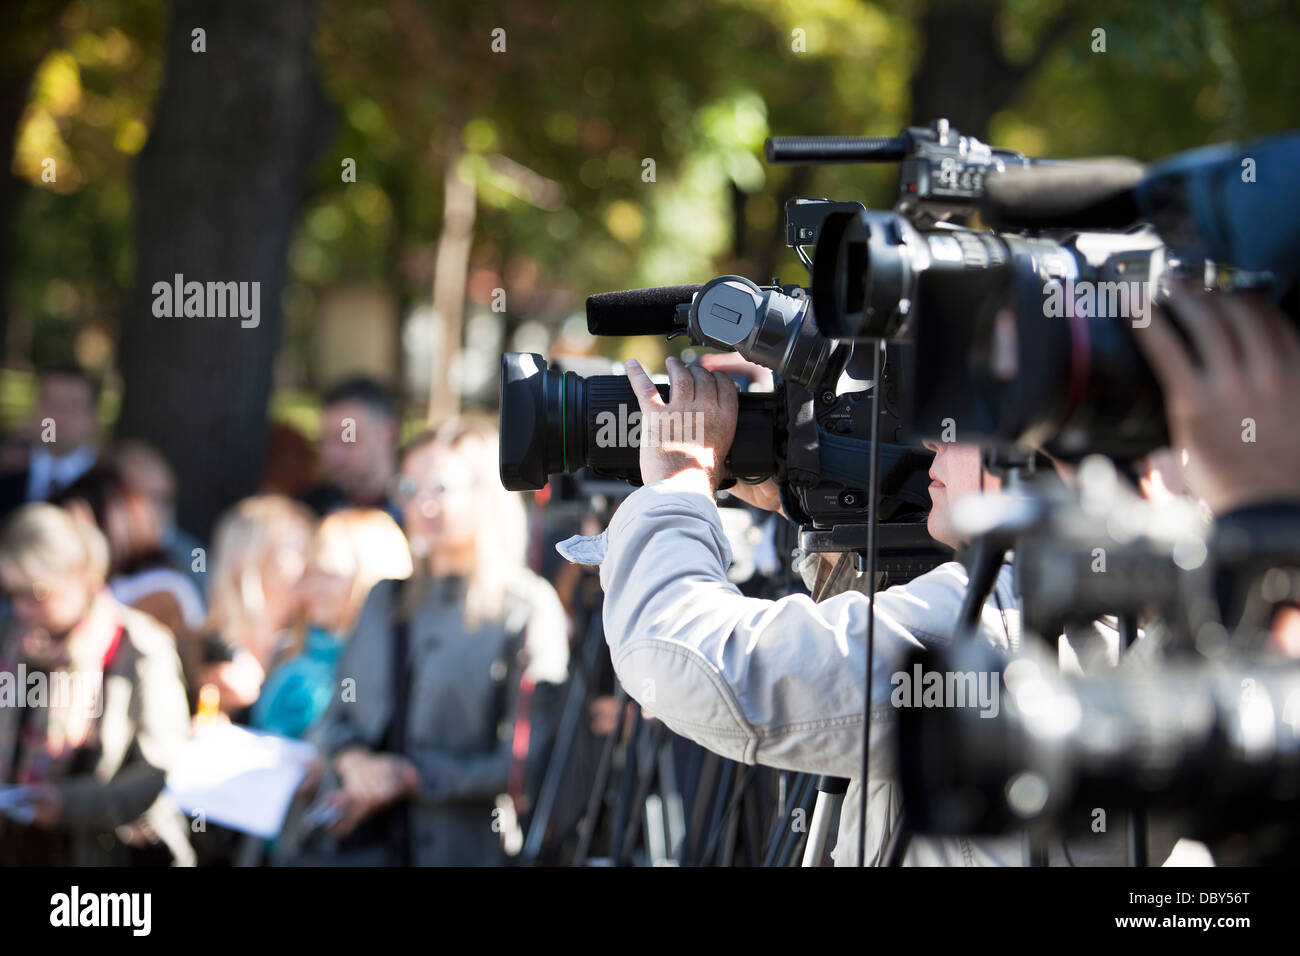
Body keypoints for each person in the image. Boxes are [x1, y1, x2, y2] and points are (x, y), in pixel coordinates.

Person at [574, 283, 1300, 866]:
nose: (928, 443)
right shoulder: (1121, 599)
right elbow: (858, 669)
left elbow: (700, 665)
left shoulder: (1003, 617)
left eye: (962, 425)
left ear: (1041, 454)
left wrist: (676, 486)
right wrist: (800, 503)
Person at [307, 417, 569, 866]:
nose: (421, 504)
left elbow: (530, 762)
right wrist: (353, 762)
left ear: (486, 495)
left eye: (440, 489)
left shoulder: (525, 607)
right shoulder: (383, 598)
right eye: (409, 489)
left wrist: (414, 778)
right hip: (362, 849)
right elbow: (334, 720)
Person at [0, 503, 193, 865]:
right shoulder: (11, 640)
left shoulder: (139, 647)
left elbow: (159, 770)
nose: (23, 608)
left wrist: (68, 804)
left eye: (37, 593)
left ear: (80, 574)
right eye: (12, 594)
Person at [252, 508, 412, 740]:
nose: (314, 587)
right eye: (312, 572)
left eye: (330, 574)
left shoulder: (388, 667)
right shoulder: (293, 648)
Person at [199, 496, 315, 717]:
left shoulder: (315, 646)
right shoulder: (201, 649)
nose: (308, 564)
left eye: (309, 550)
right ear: (248, 559)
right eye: (294, 549)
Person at [0, 366, 102, 522]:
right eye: (51, 402)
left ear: (93, 417)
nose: (60, 415)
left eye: (74, 405)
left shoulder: (109, 486)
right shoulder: (7, 469)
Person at [301, 378, 402, 526]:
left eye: (347, 440)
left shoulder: (417, 513)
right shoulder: (311, 512)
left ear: (388, 434)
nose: (333, 455)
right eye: (326, 440)